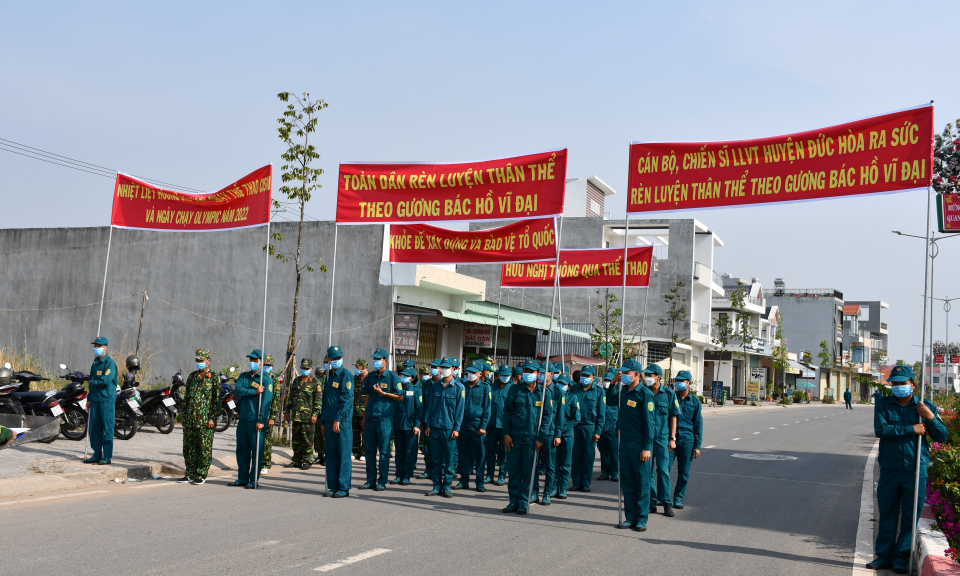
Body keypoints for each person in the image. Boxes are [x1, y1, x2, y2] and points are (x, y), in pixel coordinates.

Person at [866, 366, 948, 573]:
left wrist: (930, 417)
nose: (898, 387)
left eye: (902, 383)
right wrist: (911, 429)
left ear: (913, 383)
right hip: (890, 468)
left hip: (915, 468)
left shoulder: (924, 406)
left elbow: (942, 436)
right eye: (894, 383)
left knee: (911, 516)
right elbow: (881, 430)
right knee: (888, 513)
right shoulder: (884, 404)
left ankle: (900, 558)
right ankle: (883, 556)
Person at [502, 359, 554, 514]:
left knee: (529, 471)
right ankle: (513, 502)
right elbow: (506, 412)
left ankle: (524, 502)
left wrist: (541, 437)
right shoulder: (515, 390)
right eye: (525, 371)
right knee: (514, 471)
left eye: (531, 371)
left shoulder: (544, 392)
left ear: (538, 374)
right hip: (514, 437)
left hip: (532, 439)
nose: (527, 374)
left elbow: (547, 417)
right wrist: (506, 434)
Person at [616, 359, 655, 532]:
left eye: (626, 373)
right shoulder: (623, 391)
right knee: (628, 483)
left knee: (643, 483)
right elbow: (609, 400)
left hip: (640, 444)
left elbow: (649, 423)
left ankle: (641, 519)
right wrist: (613, 382)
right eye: (622, 373)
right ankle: (630, 517)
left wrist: (647, 447)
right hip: (624, 443)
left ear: (636, 374)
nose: (623, 376)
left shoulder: (645, 394)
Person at [229, 349, 273, 489]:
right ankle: (242, 478)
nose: (252, 362)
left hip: (256, 420)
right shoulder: (244, 375)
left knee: (257, 451)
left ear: (262, 362)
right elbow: (238, 390)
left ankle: (253, 479)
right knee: (242, 449)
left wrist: (261, 420)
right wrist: (253, 391)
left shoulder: (266, 379)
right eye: (251, 360)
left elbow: (267, 401)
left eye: (255, 360)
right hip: (243, 419)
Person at [424, 358, 465, 498]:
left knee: (449, 460)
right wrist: (428, 424)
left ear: (453, 369)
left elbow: (460, 410)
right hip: (435, 427)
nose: (443, 369)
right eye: (442, 367)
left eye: (447, 367)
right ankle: (436, 486)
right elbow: (430, 407)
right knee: (436, 460)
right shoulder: (435, 386)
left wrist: (457, 428)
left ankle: (446, 486)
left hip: (449, 429)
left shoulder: (459, 387)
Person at [362, 348, 402, 491]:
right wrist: (364, 417)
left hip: (385, 420)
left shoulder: (393, 377)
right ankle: (370, 480)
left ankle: (382, 481)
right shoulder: (371, 376)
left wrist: (383, 393)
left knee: (384, 452)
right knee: (369, 451)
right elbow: (367, 396)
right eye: (375, 359)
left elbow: (400, 397)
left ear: (385, 361)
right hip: (371, 419)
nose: (375, 362)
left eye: (378, 359)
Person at [179, 348, 220, 485]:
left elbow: (216, 400)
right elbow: (187, 398)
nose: (199, 362)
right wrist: (183, 415)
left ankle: (201, 474)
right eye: (197, 360)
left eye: (201, 360)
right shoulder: (192, 377)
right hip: (191, 419)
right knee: (189, 447)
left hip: (205, 420)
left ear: (208, 361)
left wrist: (212, 418)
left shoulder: (214, 378)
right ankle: (190, 473)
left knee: (204, 448)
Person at [645, 364, 680, 516]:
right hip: (646, 438)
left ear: (658, 377)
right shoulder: (643, 392)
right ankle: (652, 502)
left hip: (662, 438)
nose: (647, 378)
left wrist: (673, 437)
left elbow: (673, 416)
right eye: (645, 375)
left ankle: (666, 503)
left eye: (650, 375)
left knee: (663, 470)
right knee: (648, 471)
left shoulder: (669, 394)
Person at [320, 346, 354, 498]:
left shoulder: (346, 375)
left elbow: (347, 399)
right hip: (328, 420)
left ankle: (344, 487)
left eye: (339, 358)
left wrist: (337, 419)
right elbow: (325, 401)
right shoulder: (329, 377)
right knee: (331, 454)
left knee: (344, 455)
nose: (336, 361)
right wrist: (323, 421)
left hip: (342, 422)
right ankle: (333, 486)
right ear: (328, 359)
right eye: (333, 358)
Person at [282, 358, 323, 470]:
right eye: (303, 368)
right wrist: (287, 412)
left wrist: (315, 414)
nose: (304, 370)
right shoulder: (296, 381)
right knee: (296, 440)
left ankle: (307, 461)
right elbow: (290, 397)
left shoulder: (315, 383)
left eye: (306, 368)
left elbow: (318, 401)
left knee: (307, 440)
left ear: (311, 369)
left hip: (308, 417)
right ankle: (296, 460)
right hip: (296, 416)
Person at [456, 364, 491, 492]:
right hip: (463, 425)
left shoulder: (485, 388)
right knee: (463, 454)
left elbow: (487, 409)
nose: (470, 374)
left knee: (480, 455)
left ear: (480, 374)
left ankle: (480, 482)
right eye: (468, 371)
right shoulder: (461, 386)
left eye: (473, 372)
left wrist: (483, 426)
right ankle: (464, 480)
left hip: (477, 425)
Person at [669, 370, 702, 509]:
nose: (678, 383)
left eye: (682, 381)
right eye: (677, 381)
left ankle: (678, 498)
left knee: (684, 472)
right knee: (664, 470)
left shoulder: (695, 402)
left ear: (689, 383)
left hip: (687, 440)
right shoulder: (670, 397)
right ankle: (663, 497)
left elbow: (698, 424)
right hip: (670, 439)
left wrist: (697, 445)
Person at [569, 365, 604, 492]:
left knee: (588, 457)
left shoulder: (599, 391)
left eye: (587, 376)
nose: (584, 378)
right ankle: (576, 482)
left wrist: (598, 431)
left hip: (590, 428)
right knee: (576, 456)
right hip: (575, 427)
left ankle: (585, 483)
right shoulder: (574, 389)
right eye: (583, 375)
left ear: (593, 377)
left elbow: (601, 413)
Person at [533, 362, 564, 505]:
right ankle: (534, 492)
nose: (542, 375)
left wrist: (558, 435)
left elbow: (560, 416)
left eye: (545, 372)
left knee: (550, 466)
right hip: (535, 432)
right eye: (540, 372)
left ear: (551, 374)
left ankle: (546, 493)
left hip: (550, 434)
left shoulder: (558, 392)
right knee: (534, 464)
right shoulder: (536, 389)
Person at [85, 336, 118, 465]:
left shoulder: (110, 363)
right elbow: (91, 384)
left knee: (107, 428)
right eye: (95, 346)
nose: (97, 348)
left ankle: (107, 456)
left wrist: (91, 381)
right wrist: (89, 398)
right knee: (94, 428)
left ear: (106, 347)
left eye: (99, 346)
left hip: (106, 400)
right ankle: (97, 454)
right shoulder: (95, 363)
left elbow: (105, 380)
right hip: (95, 399)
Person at [553, 372, 581, 501]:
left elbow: (576, 418)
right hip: (553, 433)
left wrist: (563, 428)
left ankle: (563, 488)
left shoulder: (572, 398)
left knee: (565, 463)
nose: (560, 386)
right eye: (559, 383)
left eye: (563, 384)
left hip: (567, 434)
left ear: (569, 386)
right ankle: (553, 487)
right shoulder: (552, 395)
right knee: (554, 462)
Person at [392, 367, 423, 485]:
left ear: (412, 378)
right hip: (398, 424)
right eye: (402, 375)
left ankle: (406, 476)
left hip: (410, 426)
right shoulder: (398, 389)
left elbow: (419, 409)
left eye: (406, 375)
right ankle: (398, 475)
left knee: (409, 452)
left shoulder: (416, 390)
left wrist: (416, 425)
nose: (403, 377)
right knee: (399, 451)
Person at [484, 364, 513, 486]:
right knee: (490, 452)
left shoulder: (513, 389)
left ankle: (502, 475)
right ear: (498, 375)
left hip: (505, 427)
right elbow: (486, 407)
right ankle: (489, 475)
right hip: (491, 425)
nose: (505, 377)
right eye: (503, 375)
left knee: (504, 453)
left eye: (507, 375)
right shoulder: (490, 388)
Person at [419, 359, 443, 480]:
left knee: (439, 448)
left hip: (440, 421)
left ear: (440, 369)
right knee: (427, 448)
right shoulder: (427, 384)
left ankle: (439, 470)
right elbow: (422, 403)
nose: (433, 369)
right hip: (426, 420)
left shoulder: (443, 383)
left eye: (435, 367)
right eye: (432, 367)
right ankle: (428, 470)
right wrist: (422, 421)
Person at [598, 368, 621, 482]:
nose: (607, 382)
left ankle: (614, 472)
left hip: (613, 428)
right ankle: (605, 472)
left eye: (609, 379)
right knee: (603, 451)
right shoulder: (600, 392)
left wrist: (619, 427)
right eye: (605, 379)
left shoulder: (618, 394)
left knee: (613, 452)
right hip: (602, 428)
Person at [261, 355, 277, 475]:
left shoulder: (274, 380)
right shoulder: (258, 378)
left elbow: (275, 399)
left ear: (272, 366)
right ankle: (257, 463)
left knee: (266, 441)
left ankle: (266, 464)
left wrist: (272, 417)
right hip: (257, 414)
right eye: (265, 364)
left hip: (267, 415)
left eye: (268, 365)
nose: (266, 367)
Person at [351, 358, 368, 461]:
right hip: (354, 412)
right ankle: (355, 452)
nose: (356, 369)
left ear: (364, 368)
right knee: (355, 433)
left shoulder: (370, 379)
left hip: (365, 412)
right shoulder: (354, 379)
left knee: (365, 434)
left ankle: (364, 453)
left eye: (358, 367)